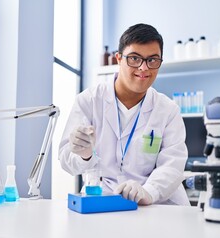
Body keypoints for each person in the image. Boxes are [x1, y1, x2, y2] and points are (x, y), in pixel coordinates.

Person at [58, 23, 190, 206]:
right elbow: (66, 160)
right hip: (103, 197)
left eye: (152, 60)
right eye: (135, 59)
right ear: (119, 59)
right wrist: (84, 155)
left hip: (156, 202)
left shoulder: (167, 110)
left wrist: (148, 192)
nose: (144, 68)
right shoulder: (89, 100)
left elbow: (173, 163)